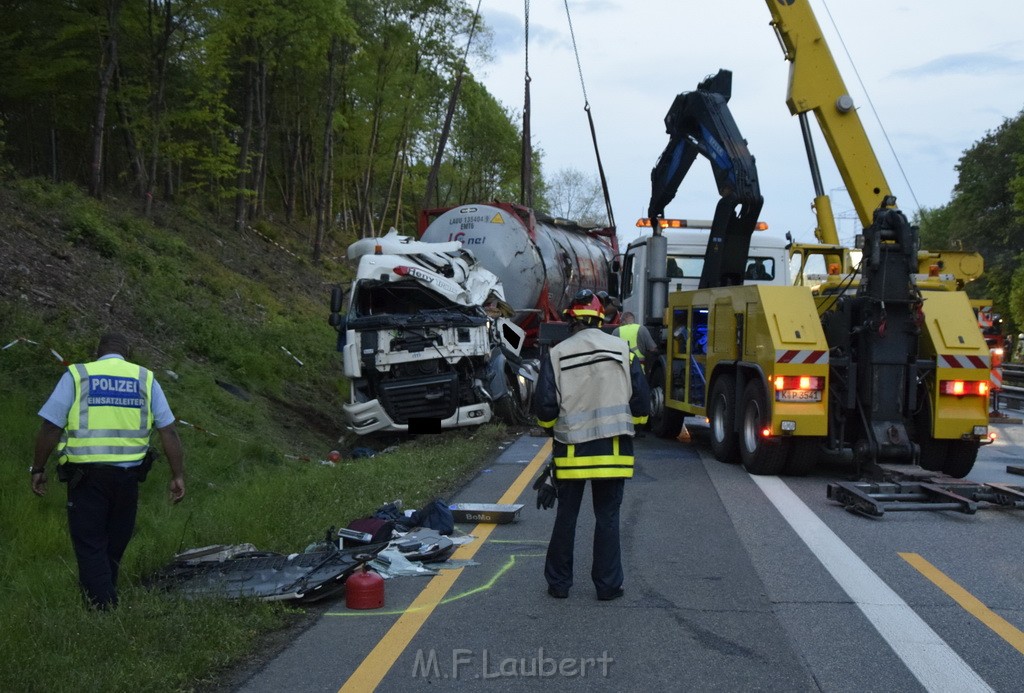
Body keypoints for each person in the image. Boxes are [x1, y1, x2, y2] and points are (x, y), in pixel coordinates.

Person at [31, 332, 185, 609]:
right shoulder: (144, 378)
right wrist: (177, 475)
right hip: (127, 479)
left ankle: (102, 608)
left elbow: (51, 426)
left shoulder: (79, 375)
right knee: (115, 541)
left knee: (90, 542)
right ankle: (102, 598)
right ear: (128, 351)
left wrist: (38, 468)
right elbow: (168, 430)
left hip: (86, 478)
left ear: (96, 350)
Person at [532, 290, 650, 601]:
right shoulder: (623, 351)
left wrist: (552, 432)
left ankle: (559, 585)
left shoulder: (557, 354)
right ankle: (608, 586)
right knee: (607, 518)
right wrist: (631, 428)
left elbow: (545, 408)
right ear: (602, 320)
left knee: (566, 518)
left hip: (571, 454)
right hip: (614, 453)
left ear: (571, 319)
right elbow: (641, 404)